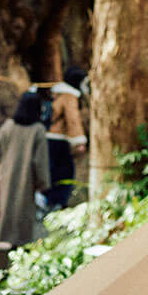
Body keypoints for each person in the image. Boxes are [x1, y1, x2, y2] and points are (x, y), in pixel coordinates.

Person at [0, 91, 50, 248]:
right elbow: (40, 161)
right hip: (26, 178)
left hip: (5, 175)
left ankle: (0, 248)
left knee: (6, 210)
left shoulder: (8, 126)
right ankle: (21, 249)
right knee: (23, 213)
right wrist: (43, 183)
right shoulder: (38, 130)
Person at [42, 67, 87, 211]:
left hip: (48, 136)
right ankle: (57, 201)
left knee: (51, 169)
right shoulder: (69, 96)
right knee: (65, 171)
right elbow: (72, 120)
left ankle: (47, 199)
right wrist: (79, 141)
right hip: (59, 139)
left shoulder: (57, 93)